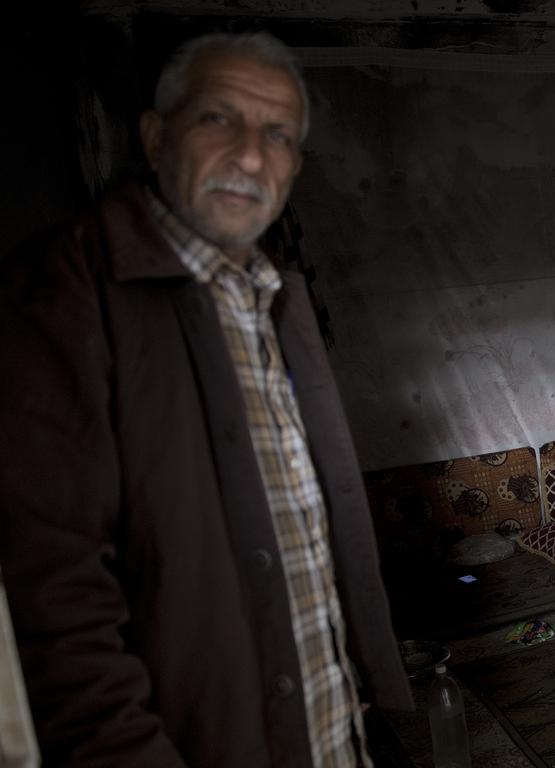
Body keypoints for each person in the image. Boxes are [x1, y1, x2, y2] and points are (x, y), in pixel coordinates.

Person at [0, 31, 412, 767]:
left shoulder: (275, 298)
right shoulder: (66, 293)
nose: (251, 156)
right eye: (218, 119)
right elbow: (55, 611)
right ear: (157, 138)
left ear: (295, 167)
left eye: (278, 134)